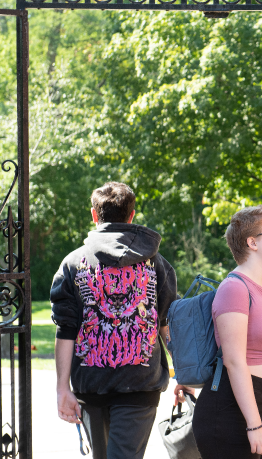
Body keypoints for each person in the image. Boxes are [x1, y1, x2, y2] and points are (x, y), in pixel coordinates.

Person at [50, 181, 177, 459]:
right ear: (131, 216)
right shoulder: (157, 263)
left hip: (90, 383)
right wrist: (184, 371)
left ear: (94, 216)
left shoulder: (72, 263)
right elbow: (167, 322)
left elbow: (66, 330)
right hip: (141, 384)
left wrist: (62, 389)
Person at [189, 204, 262, 458]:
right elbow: (234, 361)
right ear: (252, 242)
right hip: (232, 410)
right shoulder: (234, 288)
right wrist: (254, 424)